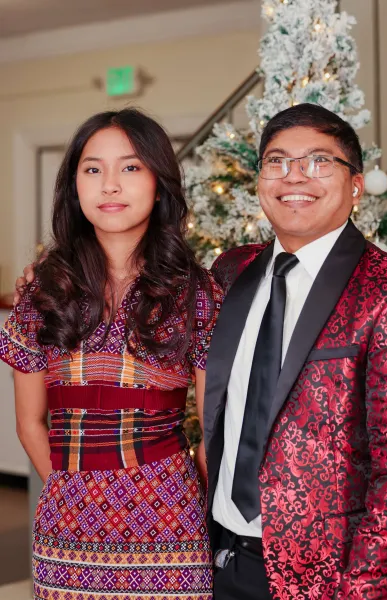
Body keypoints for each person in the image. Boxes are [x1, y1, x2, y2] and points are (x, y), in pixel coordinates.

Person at [202, 103, 387, 599]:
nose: (295, 175)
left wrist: (362, 589)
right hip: (221, 560)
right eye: (277, 161)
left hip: (334, 579)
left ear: (355, 185)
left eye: (319, 160)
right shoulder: (232, 271)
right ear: (260, 181)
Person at [3, 108, 222, 600]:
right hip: (67, 523)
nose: (110, 185)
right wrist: (72, 487)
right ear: (73, 186)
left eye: (130, 166)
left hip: (171, 520)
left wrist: (184, 495)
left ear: (159, 184)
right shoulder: (42, 290)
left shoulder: (196, 291)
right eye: (92, 169)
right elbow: (29, 422)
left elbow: (216, 429)